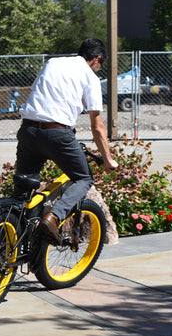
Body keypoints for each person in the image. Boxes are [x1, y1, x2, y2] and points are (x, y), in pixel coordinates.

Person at [15, 37, 118, 243]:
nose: (99, 69)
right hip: (57, 135)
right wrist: (107, 159)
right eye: (101, 65)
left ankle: (11, 238)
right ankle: (54, 216)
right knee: (84, 178)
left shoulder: (53, 62)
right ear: (96, 59)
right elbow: (97, 125)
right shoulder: (90, 77)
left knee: (22, 192)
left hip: (28, 129)